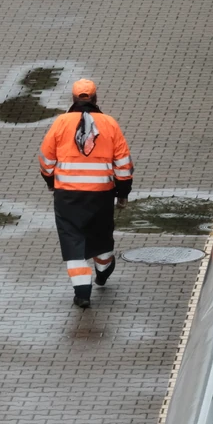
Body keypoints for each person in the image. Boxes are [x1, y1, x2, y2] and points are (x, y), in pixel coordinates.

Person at [38, 79, 134, 308]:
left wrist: (50, 180)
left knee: (72, 240)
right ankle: (103, 269)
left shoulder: (61, 123)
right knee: (100, 235)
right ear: (95, 98)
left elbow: (46, 158)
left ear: (72, 98)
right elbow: (123, 162)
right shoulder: (109, 124)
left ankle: (82, 293)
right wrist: (123, 192)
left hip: (67, 195)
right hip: (101, 193)